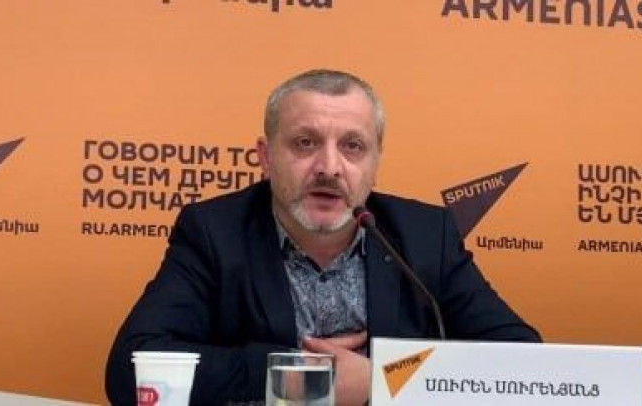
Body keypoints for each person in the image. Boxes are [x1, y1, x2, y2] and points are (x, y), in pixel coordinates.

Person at [105, 69, 540, 405]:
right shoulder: (214, 231)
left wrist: (381, 378)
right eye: (305, 142)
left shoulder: (426, 235)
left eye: (353, 146)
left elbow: (525, 362)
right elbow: (131, 370)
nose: (329, 167)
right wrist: (296, 376)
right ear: (266, 157)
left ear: (375, 163)